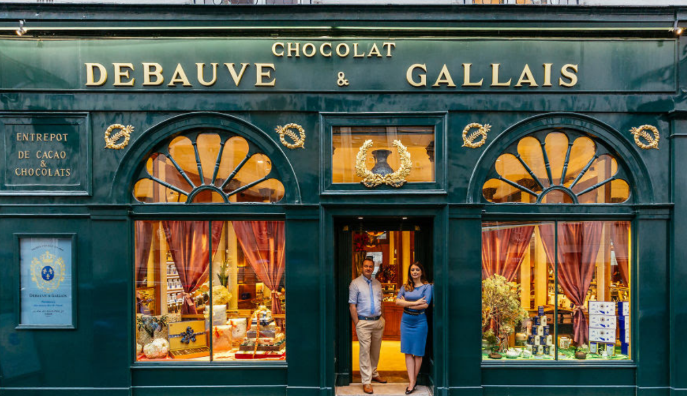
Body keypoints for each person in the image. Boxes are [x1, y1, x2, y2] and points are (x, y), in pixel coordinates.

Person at [349, 257, 387, 394]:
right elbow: (352, 305)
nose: (368, 268)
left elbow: (381, 302)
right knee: (365, 352)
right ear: (362, 268)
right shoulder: (355, 283)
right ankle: (366, 381)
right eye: (366, 266)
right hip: (363, 322)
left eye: (370, 266)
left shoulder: (377, 283)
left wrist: (383, 319)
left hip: (378, 322)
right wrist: (357, 323)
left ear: (373, 268)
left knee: (375, 351)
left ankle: (374, 373)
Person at [395, 262, 433, 394]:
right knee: (407, 351)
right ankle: (412, 381)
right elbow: (397, 301)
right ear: (410, 272)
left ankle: (412, 381)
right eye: (412, 270)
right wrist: (415, 302)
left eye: (417, 270)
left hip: (420, 321)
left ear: (421, 272)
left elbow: (425, 305)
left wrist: (407, 304)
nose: (415, 272)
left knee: (417, 353)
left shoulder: (427, 287)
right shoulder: (405, 286)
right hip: (406, 321)